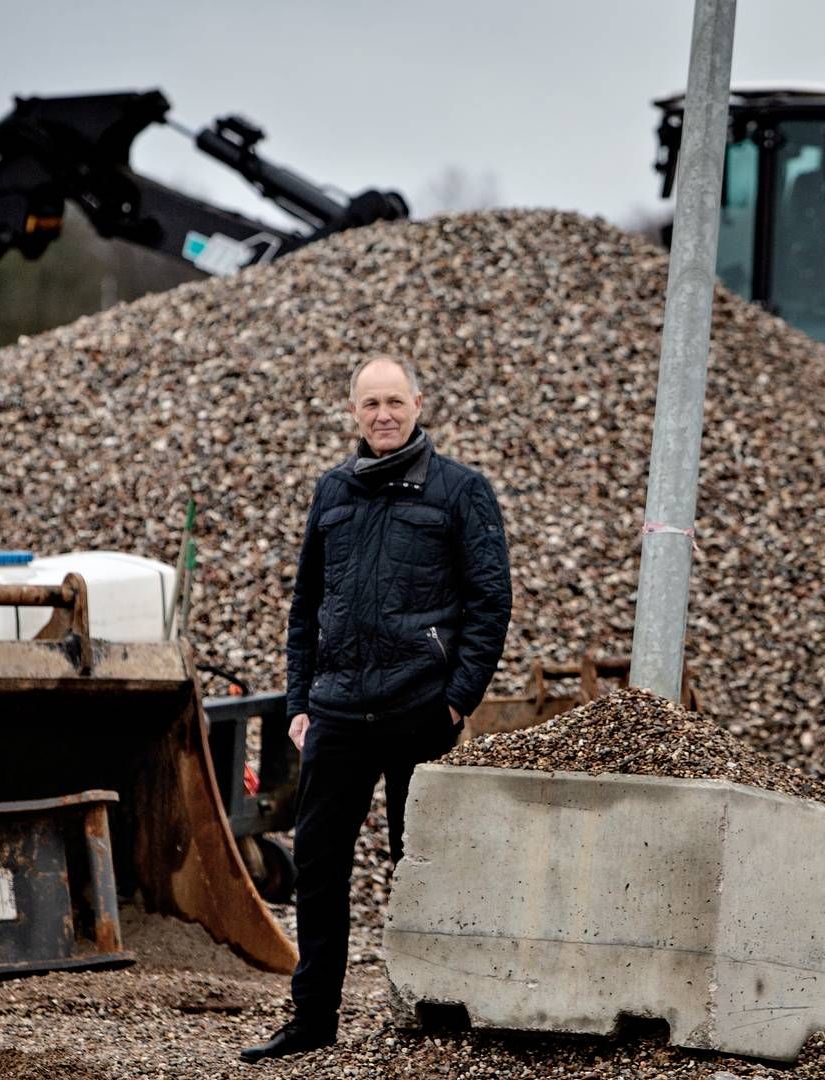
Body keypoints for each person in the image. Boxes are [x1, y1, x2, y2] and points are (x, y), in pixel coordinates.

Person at [241, 355, 512, 1063]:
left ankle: (436, 1015)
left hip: (419, 710)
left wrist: (457, 700)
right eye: (371, 404)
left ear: (419, 402)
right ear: (354, 412)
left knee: (419, 864)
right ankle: (313, 1020)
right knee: (320, 868)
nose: (384, 414)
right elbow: (306, 606)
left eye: (395, 401)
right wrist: (300, 701)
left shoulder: (461, 492)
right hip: (337, 711)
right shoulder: (333, 491)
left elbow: (490, 603)